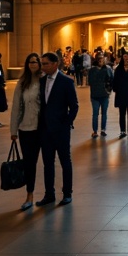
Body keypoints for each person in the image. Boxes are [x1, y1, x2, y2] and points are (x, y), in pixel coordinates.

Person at [36, 52, 78, 206]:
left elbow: (74, 106)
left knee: (65, 161)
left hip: (61, 130)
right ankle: (49, 194)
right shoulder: (41, 81)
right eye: (42, 64)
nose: (43, 66)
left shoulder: (66, 82)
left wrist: (66, 123)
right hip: (45, 130)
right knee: (48, 163)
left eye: (46, 63)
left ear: (55, 64)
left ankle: (67, 193)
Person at [9, 54, 44, 211]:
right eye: (30, 62)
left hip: (43, 128)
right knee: (30, 163)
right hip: (26, 129)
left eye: (35, 62)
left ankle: (50, 193)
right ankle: (29, 195)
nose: (33, 64)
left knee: (49, 162)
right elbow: (16, 107)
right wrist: (13, 129)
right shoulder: (22, 83)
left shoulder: (44, 80)